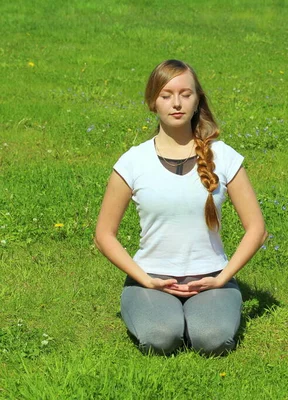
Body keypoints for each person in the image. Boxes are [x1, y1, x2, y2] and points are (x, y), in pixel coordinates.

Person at [94, 59, 267, 356]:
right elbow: (103, 234)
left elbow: (257, 229)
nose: (177, 103)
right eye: (166, 95)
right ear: (152, 102)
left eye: (185, 94)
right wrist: (144, 278)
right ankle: (161, 314)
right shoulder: (132, 162)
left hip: (211, 279)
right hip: (150, 280)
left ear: (197, 99)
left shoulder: (223, 157)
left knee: (212, 340)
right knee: (160, 339)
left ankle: (201, 315)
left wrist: (222, 279)